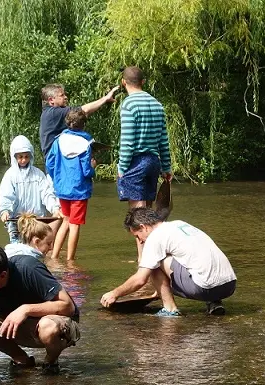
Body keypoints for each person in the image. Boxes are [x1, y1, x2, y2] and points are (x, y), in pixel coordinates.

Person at [100, 208, 236, 316]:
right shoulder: (179, 224)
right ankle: (215, 303)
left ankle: (170, 309)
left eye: (137, 235)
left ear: (144, 227)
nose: (140, 240)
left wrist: (114, 293)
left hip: (206, 288)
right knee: (195, 261)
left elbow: (140, 279)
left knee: (153, 263)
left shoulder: (155, 238)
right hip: (229, 285)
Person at [0, 242, 80, 369]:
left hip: (54, 327)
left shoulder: (29, 269)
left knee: (49, 328)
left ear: (2, 275)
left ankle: (50, 363)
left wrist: (26, 309)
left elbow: (69, 307)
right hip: (11, 326)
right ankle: (21, 359)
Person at [117, 66, 173, 258]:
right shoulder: (157, 104)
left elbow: (128, 140)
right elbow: (163, 140)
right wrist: (167, 167)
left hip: (136, 162)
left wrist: (122, 167)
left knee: (137, 216)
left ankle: (143, 260)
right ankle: (155, 256)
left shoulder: (129, 105)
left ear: (124, 82)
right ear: (143, 82)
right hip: (154, 161)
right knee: (149, 214)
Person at [45, 109, 96, 261]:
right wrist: (93, 167)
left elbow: (50, 163)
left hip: (62, 189)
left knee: (65, 221)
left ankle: (54, 256)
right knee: (74, 225)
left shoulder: (58, 140)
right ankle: (70, 260)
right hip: (79, 190)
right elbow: (87, 171)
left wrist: (57, 179)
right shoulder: (86, 143)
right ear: (83, 125)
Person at [0, 135, 61, 243]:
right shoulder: (10, 175)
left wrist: (54, 208)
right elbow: (6, 195)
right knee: (16, 246)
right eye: (20, 157)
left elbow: (46, 193)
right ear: (14, 157)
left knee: (36, 245)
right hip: (16, 220)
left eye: (26, 156)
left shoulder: (38, 174)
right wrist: (4, 210)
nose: (23, 160)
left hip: (36, 219)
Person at [39, 83, 118, 157]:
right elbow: (83, 111)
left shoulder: (49, 113)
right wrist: (106, 98)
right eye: (62, 95)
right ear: (51, 100)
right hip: (57, 162)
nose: (65, 97)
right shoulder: (53, 113)